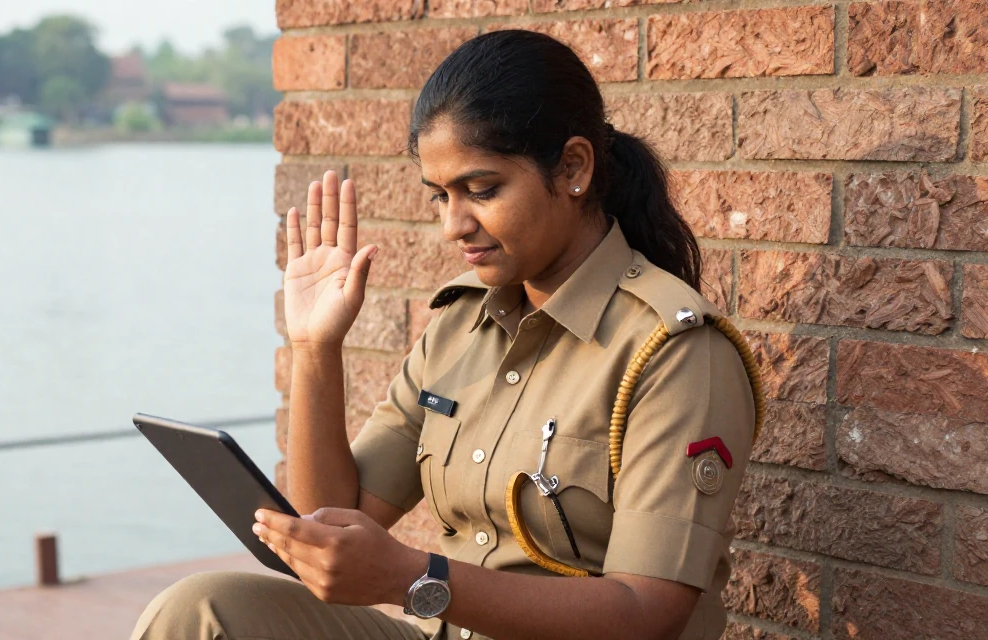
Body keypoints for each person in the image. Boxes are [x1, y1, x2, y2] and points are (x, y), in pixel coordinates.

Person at [131, 29, 760, 640]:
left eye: (481, 190)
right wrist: (315, 349)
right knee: (199, 611)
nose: (453, 226)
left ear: (573, 167)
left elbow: (646, 612)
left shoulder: (675, 353)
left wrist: (415, 576)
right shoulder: (461, 327)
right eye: (439, 197)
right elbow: (333, 520)